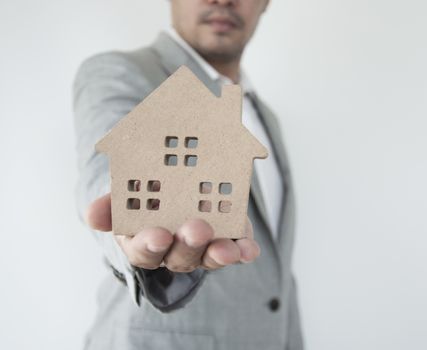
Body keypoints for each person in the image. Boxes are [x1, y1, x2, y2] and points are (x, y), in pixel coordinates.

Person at [72, 0, 303, 348]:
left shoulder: (264, 116)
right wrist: (128, 225)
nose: (223, 0)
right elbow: (103, 167)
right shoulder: (120, 71)